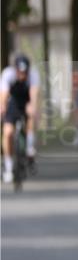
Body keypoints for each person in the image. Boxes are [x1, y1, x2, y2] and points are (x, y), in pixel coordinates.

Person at [1, 54, 40, 182]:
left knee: (31, 114)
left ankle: (29, 147)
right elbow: (4, 95)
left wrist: (32, 107)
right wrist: (2, 108)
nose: (22, 75)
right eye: (20, 72)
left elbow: (34, 94)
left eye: (25, 72)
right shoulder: (8, 74)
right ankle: (8, 167)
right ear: (15, 69)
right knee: (8, 133)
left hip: (26, 101)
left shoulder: (33, 75)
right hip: (13, 102)